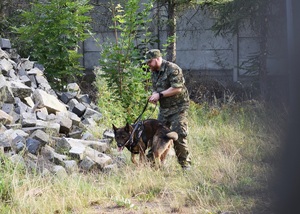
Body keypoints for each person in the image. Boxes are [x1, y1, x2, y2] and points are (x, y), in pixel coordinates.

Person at [145, 49, 191, 170]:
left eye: (149, 62)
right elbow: (155, 88)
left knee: (178, 134)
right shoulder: (154, 71)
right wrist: (154, 95)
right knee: (157, 135)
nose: (148, 65)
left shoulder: (172, 69)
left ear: (157, 59)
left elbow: (177, 88)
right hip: (164, 109)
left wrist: (160, 95)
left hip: (178, 108)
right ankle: (151, 164)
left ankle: (185, 165)